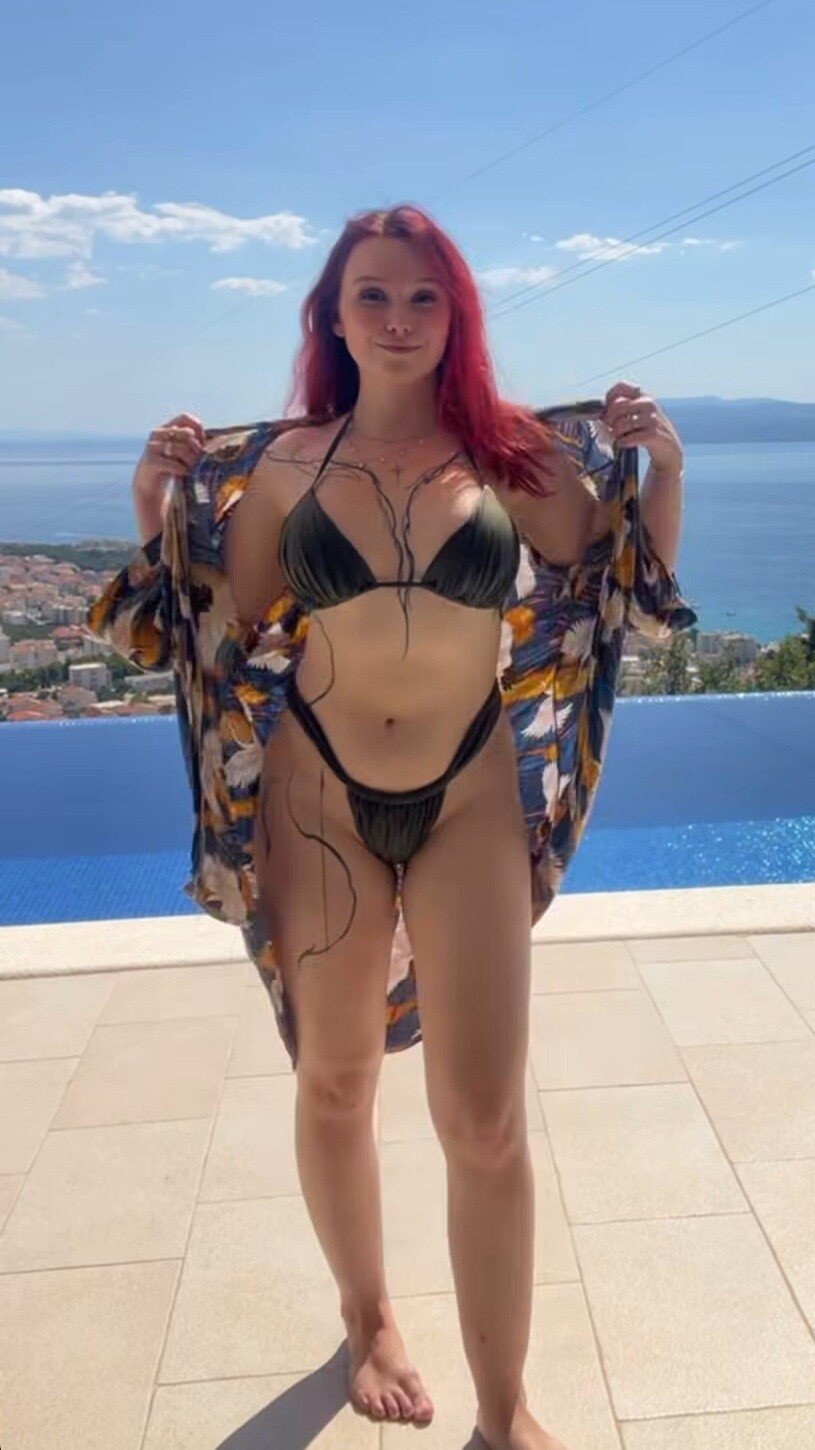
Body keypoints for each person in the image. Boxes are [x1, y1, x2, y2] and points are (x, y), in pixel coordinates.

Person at [90, 203, 696, 1450]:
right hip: (317, 793)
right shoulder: (287, 467)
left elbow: (620, 582)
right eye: (373, 294)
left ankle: (503, 1409)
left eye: (425, 297)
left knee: (485, 1118)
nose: (400, 318)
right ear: (332, 315)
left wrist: (668, 473)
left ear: (456, 316)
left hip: (471, 786)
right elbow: (217, 620)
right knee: (337, 1076)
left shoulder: (515, 457)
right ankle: (368, 1318)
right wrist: (154, 499)